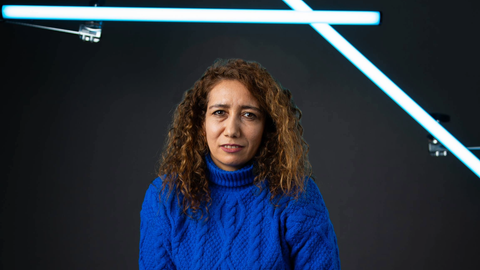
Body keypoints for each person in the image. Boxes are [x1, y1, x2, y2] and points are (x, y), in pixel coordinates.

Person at [139, 58, 341, 269]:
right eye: (219, 113)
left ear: (267, 127)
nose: (232, 130)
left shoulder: (297, 194)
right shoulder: (164, 195)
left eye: (249, 115)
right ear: (201, 123)